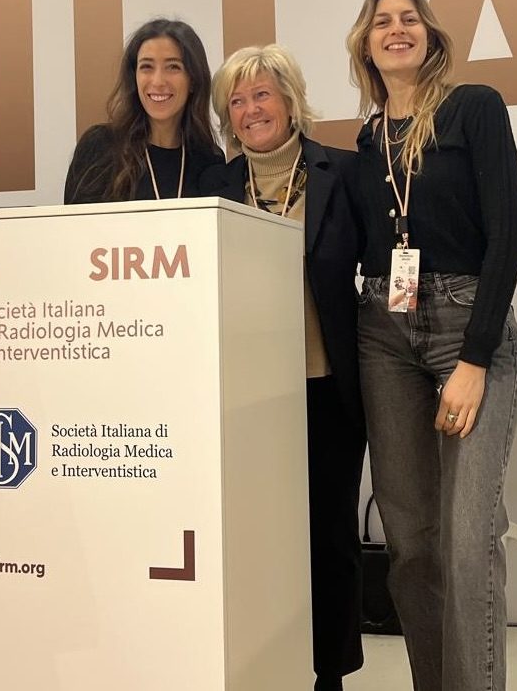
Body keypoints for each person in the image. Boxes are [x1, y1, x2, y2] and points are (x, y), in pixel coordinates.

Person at [346, 0, 517, 689]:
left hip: (467, 329)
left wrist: (475, 359)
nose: (396, 30)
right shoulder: (368, 140)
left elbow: (508, 237)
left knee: (468, 544)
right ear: (365, 43)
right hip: (384, 336)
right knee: (412, 547)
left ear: (429, 35)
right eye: (382, 22)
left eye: (408, 18)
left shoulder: (472, 108)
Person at [205, 45, 367, 691]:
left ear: (291, 101)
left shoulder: (343, 173)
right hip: (244, 398)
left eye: (262, 95)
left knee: (330, 539)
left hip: (325, 387)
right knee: (254, 538)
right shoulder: (213, 189)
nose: (250, 111)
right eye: (236, 102)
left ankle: (330, 675)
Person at [64, 19, 222, 204]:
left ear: (193, 80)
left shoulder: (209, 159)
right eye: (147, 67)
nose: (158, 81)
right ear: (134, 77)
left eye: (173, 67)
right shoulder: (99, 147)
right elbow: (75, 222)